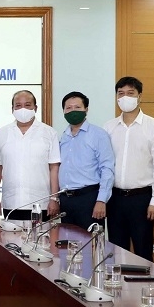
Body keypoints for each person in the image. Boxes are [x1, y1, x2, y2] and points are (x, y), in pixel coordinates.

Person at [103, 77, 154, 261]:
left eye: (130, 93)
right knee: (116, 251)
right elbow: (104, 166)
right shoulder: (108, 127)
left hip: (142, 199)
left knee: (143, 249)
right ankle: (117, 287)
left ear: (139, 96)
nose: (125, 97)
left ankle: (145, 288)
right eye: (121, 93)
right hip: (114, 199)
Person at [0, 90, 60, 221]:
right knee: (10, 240)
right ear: (12, 109)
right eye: (18, 105)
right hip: (11, 202)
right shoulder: (2, 133)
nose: (23, 109)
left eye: (28, 105)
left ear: (36, 108)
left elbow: (54, 168)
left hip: (41, 203)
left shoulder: (49, 133)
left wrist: (54, 198)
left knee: (41, 240)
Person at [58, 91, 114, 230]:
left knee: (90, 245)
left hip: (89, 198)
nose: (73, 111)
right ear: (64, 111)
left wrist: (101, 200)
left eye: (77, 107)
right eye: (68, 108)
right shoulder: (63, 137)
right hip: (66, 200)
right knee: (67, 245)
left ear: (86, 110)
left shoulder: (98, 134)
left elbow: (107, 168)